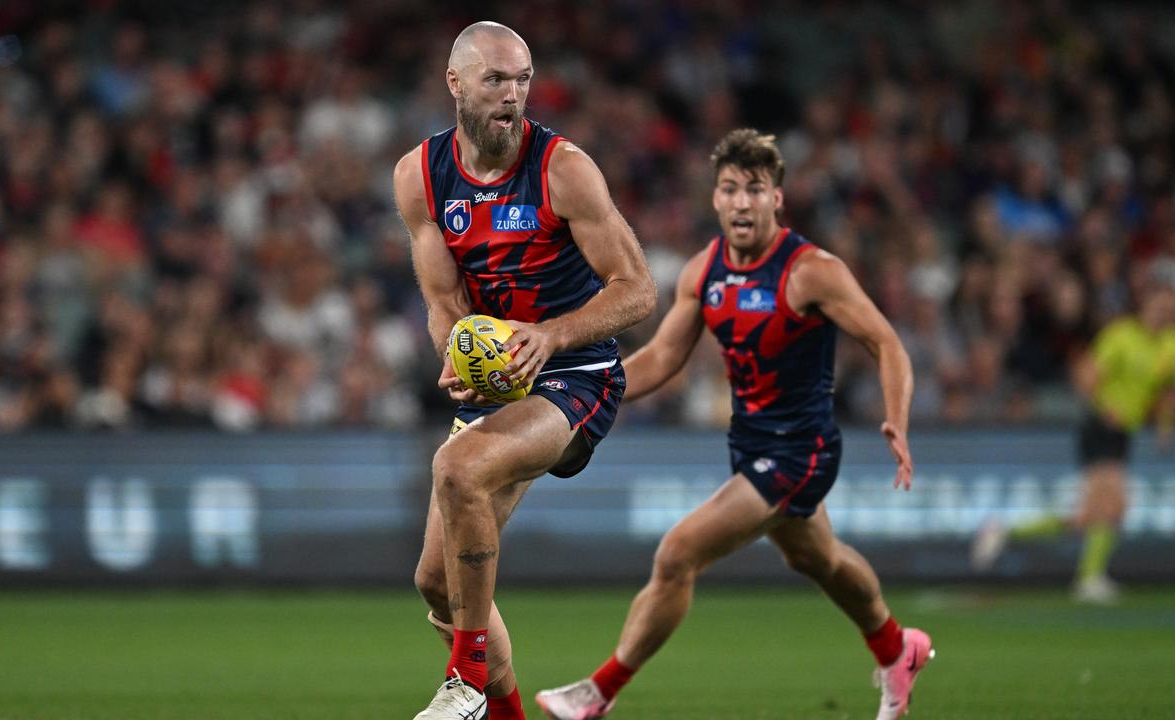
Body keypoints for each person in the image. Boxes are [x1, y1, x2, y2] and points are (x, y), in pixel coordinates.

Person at [535, 129, 931, 720]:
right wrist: (579, 397)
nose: (741, 201)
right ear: (715, 200)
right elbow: (663, 359)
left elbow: (886, 343)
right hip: (749, 444)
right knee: (818, 560)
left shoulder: (811, 272)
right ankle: (898, 648)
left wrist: (896, 420)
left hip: (802, 452)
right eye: (729, 189)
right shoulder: (704, 273)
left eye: (755, 188)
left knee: (677, 554)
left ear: (777, 199)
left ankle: (598, 693)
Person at [393, 21, 656, 720]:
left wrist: (551, 334)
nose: (512, 95)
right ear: (456, 84)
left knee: (457, 470)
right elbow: (443, 298)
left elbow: (637, 287)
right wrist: (453, 349)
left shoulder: (563, 168)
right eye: (495, 80)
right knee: (435, 582)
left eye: (522, 80)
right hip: (499, 382)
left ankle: (466, 681)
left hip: (577, 372)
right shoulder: (420, 176)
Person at [972, 284, 1175, 604]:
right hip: (1101, 426)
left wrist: (1165, 427)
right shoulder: (1121, 335)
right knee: (1113, 505)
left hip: (1125, 432)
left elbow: (1167, 392)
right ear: (1145, 306)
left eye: (1169, 308)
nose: (1163, 313)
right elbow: (1087, 373)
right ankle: (1088, 578)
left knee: (1091, 515)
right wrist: (1105, 405)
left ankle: (1004, 531)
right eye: (1158, 305)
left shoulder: (1174, 344)